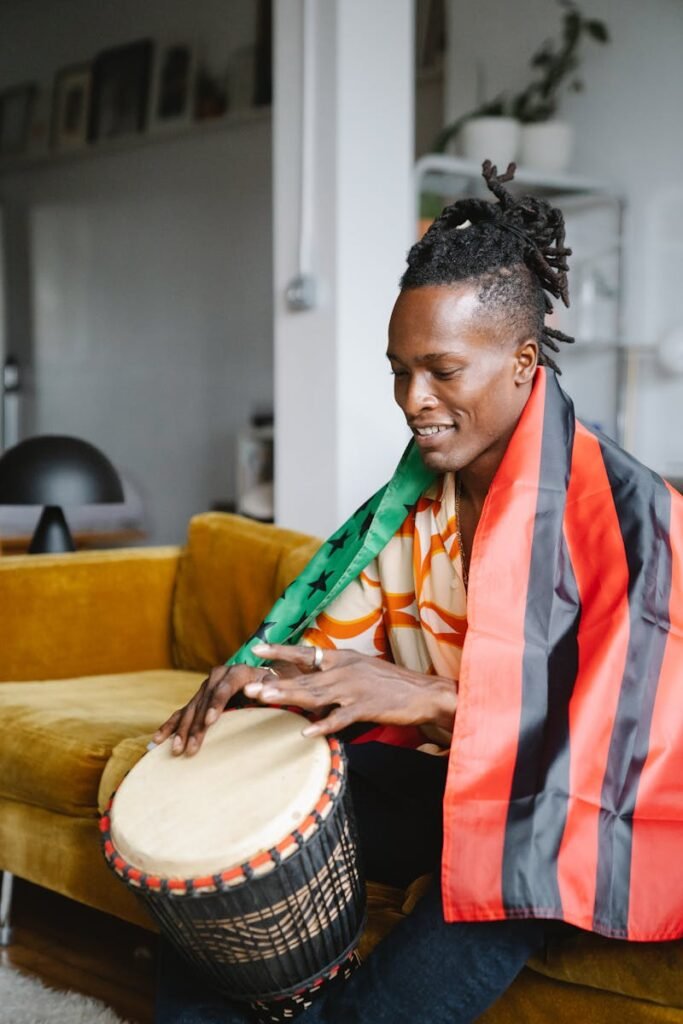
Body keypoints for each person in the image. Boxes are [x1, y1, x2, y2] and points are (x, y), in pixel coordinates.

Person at [152, 162, 683, 1024]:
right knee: (248, 818)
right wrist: (272, 684)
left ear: (521, 360)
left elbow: (625, 751)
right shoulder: (413, 507)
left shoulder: (632, 520)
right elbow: (343, 644)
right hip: (458, 787)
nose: (412, 400)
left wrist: (437, 699)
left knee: (520, 845)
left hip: (590, 817)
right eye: (399, 371)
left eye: (440, 371)